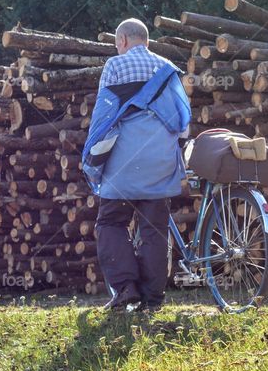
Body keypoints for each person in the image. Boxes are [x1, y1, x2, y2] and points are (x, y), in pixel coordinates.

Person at [82, 18, 191, 312]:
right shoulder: (168, 69)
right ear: (146, 40)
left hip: (123, 164)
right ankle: (153, 298)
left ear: (123, 41)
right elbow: (182, 123)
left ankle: (126, 288)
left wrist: (92, 157)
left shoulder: (115, 67)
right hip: (161, 162)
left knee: (111, 222)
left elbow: (103, 120)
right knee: (155, 229)